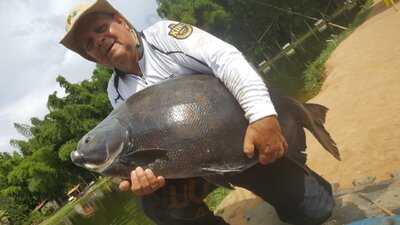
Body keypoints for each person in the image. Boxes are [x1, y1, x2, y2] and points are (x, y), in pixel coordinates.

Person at [60, 1, 335, 224]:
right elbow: (144, 148)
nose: (97, 40)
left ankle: (296, 147)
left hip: (245, 144)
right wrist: (142, 179)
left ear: (120, 21)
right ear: (91, 57)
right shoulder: (116, 91)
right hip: (194, 168)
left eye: (99, 28)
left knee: (316, 210)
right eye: (88, 44)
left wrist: (262, 116)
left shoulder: (164, 35)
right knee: (156, 205)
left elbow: (226, 59)